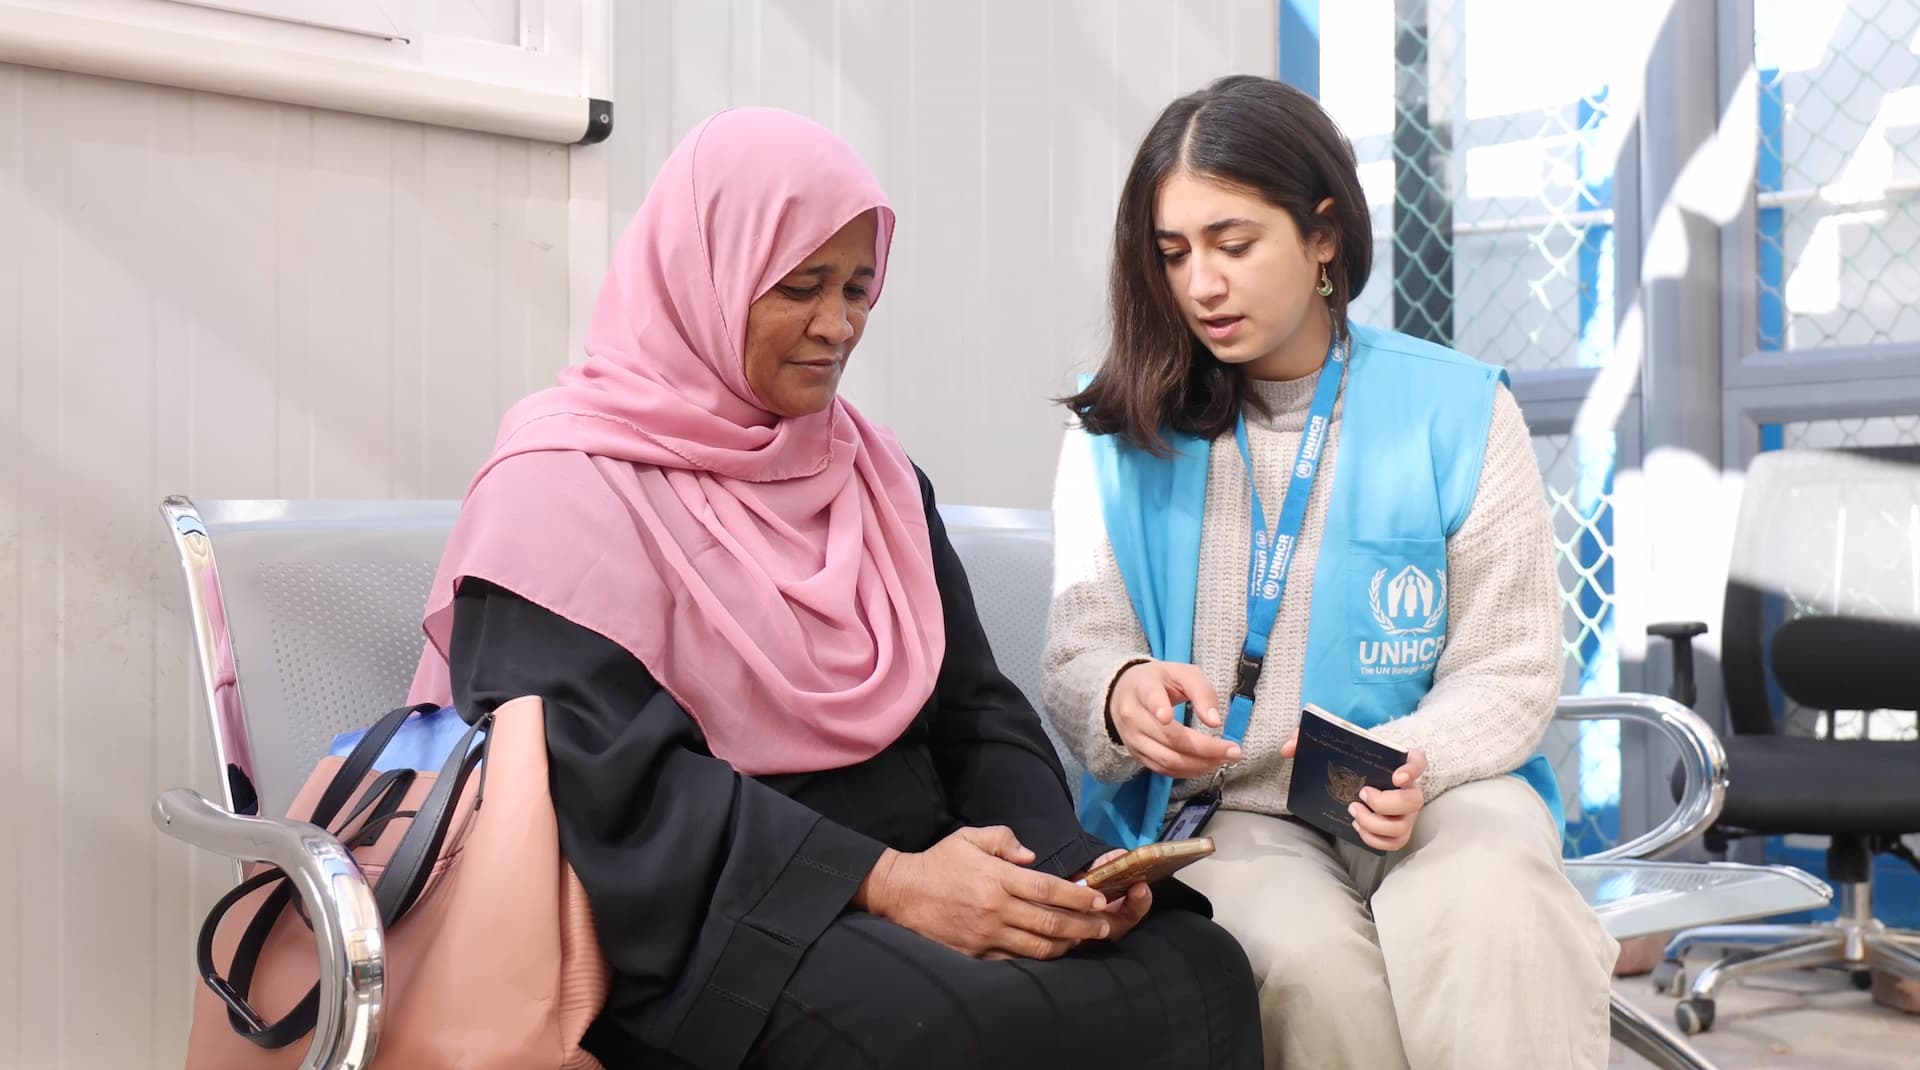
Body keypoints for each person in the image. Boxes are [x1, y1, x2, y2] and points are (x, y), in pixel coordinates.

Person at [405, 106, 1261, 1070]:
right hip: (701, 917)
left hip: (921, 869)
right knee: (952, 1034)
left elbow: (973, 706)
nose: (839, 325)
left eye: (859, 288)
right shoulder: (559, 486)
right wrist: (885, 882)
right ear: (703, 279)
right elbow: (608, 789)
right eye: (801, 288)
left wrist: (1063, 863)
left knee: (1198, 968)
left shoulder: (872, 474)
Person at [1042, 75, 1619, 1069]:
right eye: (1174, 253)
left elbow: (1509, 665)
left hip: (1433, 785)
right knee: (1306, 971)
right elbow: (1082, 640)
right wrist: (1121, 689)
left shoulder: (1461, 410)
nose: (1202, 284)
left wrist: (1411, 756)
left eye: (1233, 243)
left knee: (1499, 911)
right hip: (1235, 808)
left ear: (1323, 235)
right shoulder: (1116, 432)